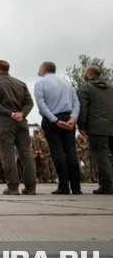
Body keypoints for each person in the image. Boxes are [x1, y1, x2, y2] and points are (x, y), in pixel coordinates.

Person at [0, 60, 36, 195]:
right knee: (25, 154)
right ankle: (31, 187)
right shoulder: (21, 83)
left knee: (7, 153)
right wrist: (22, 113)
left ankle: (13, 187)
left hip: (5, 121)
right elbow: (29, 102)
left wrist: (10, 113)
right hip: (22, 122)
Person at [34, 61, 82, 195]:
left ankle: (63, 186)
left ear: (43, 69)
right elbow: (76, 102)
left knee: (58, 152)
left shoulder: (40, 83)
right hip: (69, 118)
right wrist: (73, 118)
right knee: (71, 152)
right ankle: (76, 187)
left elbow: (41, 104)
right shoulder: (67, 82)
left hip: (52, 120)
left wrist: (54, 120)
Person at [77, 65, 113, 194]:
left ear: (88, 73)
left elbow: (83, 108)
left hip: (97, 127)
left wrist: (82, 126)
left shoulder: (86, 88)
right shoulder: (111, 87)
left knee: (100, 154)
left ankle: (107, 185)